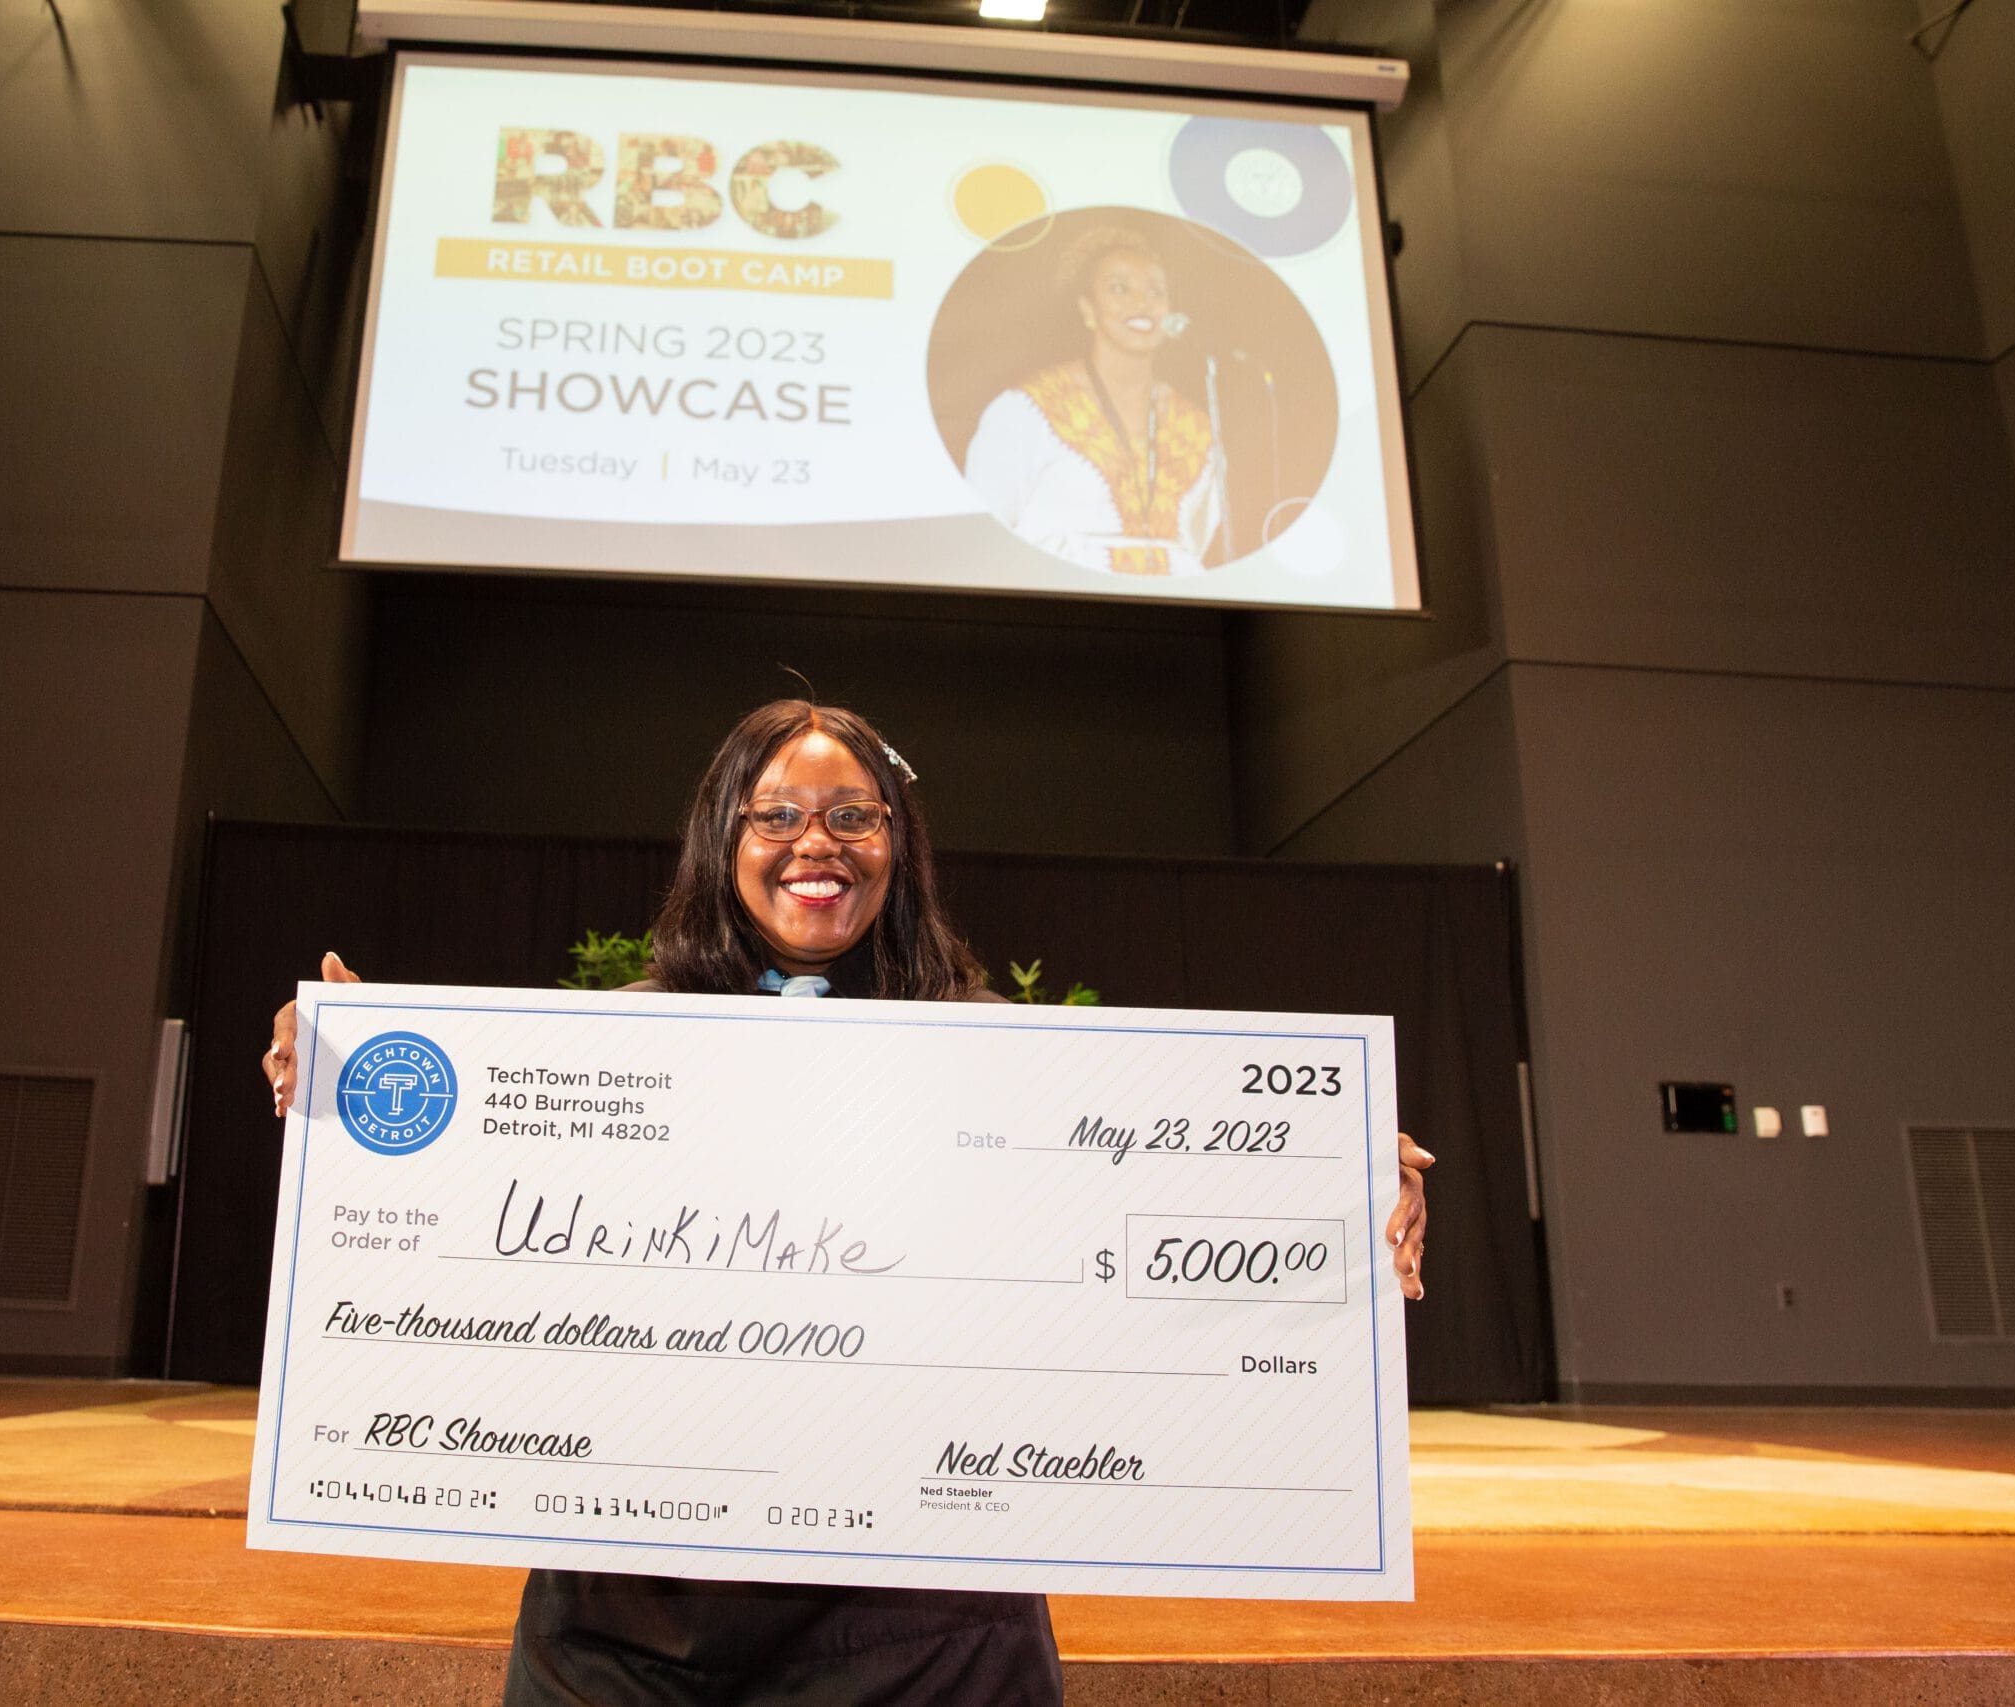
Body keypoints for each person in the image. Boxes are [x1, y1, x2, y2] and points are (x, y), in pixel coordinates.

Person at [264, 699, 1434, 1705]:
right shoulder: (614, 1038)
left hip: (922, 1628)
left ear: (897, 844)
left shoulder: (995, 1049)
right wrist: (346, 1080)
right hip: (634, 1626)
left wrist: (1320, 1173)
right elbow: (471, 1215)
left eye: (850, 815)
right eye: (773, 815)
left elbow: (1156, 1205)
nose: (811, 843)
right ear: (721, 841)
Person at [960, 227, 1228, 577]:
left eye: (1155, 291)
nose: (1141, 301)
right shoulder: (1024, 410)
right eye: (1119, 288)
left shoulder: (1198, 426)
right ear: (1088, 310)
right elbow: (985, 539)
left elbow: (1198, 538)